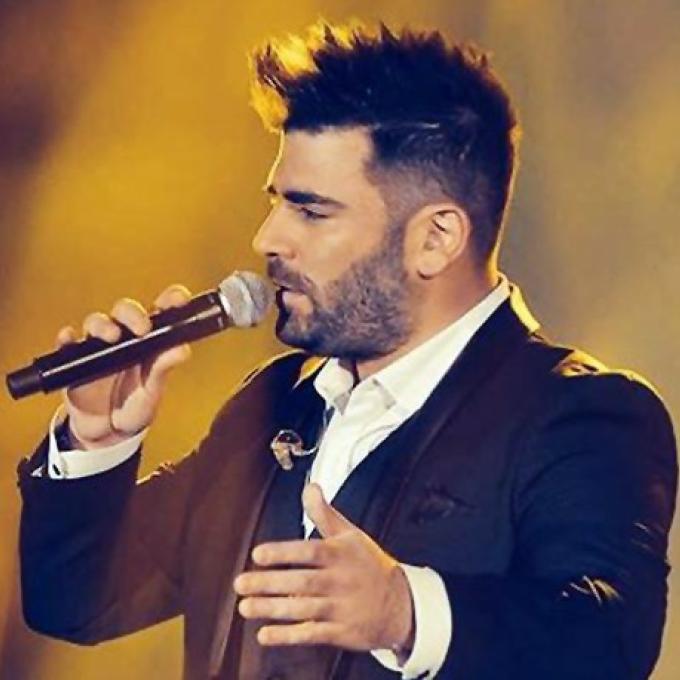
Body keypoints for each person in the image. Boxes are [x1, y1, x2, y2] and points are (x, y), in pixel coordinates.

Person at [16, 20, 677, 680]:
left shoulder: (580, 415)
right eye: (277, 203)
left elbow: (605, 643)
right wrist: (96, 438)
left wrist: (406, 611)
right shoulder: (274, 403)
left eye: (311, 211)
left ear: (436, 238)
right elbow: (77, 602)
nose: (267, 238)